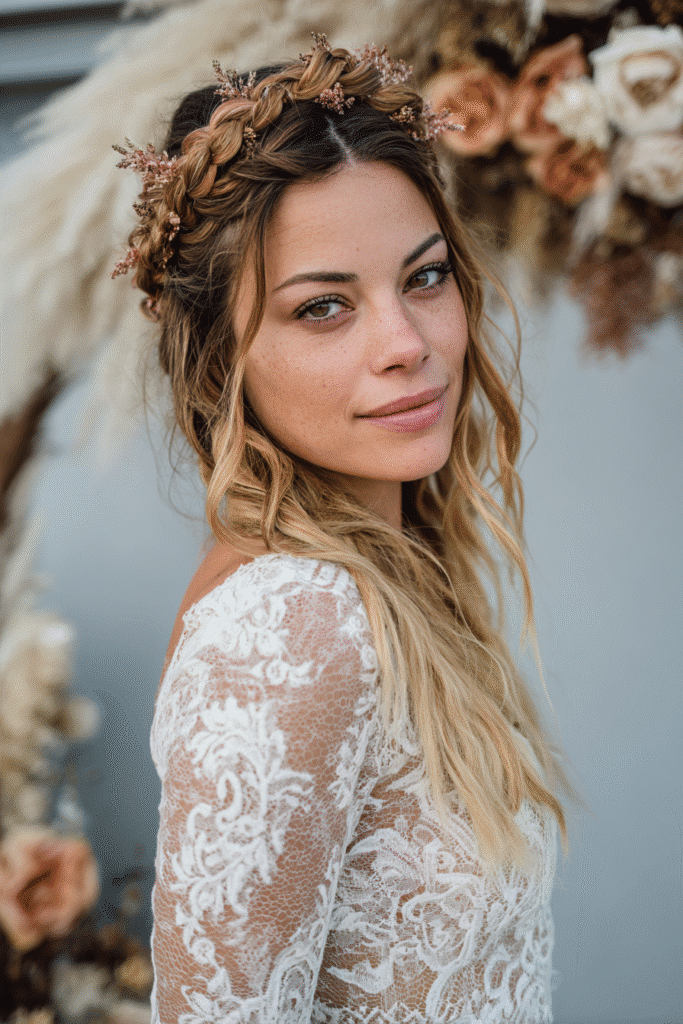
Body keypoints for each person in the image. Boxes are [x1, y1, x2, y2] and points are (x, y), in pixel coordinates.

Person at [113, 34, 580, 1023]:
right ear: (218, 361)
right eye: (322, 307)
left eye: (422, 277)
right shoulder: (289, 626)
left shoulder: (389, 585)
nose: (407, 346)